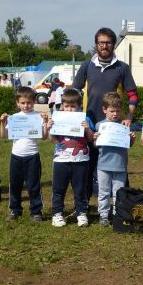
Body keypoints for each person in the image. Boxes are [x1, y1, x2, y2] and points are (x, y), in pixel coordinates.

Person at [73, 27, 138, 202]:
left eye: (108, 42)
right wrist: (73, 115)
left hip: (114, 125)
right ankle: (84, 205)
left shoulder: (122, 68)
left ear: (113, 45)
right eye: (101, 42)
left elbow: (133, 95)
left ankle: (123, 205)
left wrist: (129, 116)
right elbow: (74, 91)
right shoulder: (86, 65)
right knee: (89, 164)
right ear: (96, 44)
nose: (104, 46)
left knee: (118, 165)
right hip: (90, 123)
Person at [0, 86, 49, 221]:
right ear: (17, 103)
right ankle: (14, 210)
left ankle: (36, 211)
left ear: (34, 102)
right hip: (16, 156)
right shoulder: (14, 118)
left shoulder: (38, 116)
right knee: (15, 184)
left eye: (29, 103)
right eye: (22, 103)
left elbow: (44, 137)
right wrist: (3, 123)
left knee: (33, 185)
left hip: (32, 156)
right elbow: (4, 136)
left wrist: (45, 123)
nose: (26, 105)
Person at [49, 89, 95, 228]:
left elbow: (91, 139)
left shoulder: (85, 119)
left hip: (81, 160)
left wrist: (87, 129)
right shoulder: (57, 118)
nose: (70, 109)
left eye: (73, 106)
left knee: (80, 189)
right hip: (61, 160)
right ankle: (57, 214)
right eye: (67, 106)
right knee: (59, 189)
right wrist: (51, 128)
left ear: (80, 106)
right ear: (62, 106)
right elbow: (54, 140)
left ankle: (81, 213)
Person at [93, 92, 136, 226]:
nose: (115, 114)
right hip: (103, 165)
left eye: (118, 111)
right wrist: (95, 138)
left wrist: (132, 139)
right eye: (112, 111)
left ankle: (118, 214)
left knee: (119, 192)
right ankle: (104, 215)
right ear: (104, 109)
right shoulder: (99, 125)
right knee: (103, 192)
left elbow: (128, 145)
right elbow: (96, 145)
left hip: (120, 164)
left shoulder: (124, 125)